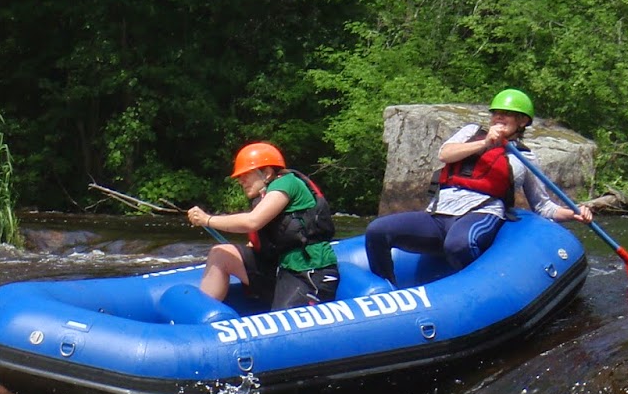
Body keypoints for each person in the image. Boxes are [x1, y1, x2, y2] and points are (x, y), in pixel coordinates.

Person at [363, 88, 593, 285]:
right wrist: (485, 143)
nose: (499, 118)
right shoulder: (471, 133)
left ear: (522, 122)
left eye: (507, 115)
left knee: (458, 245)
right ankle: (387, 288)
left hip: (481, 213)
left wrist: (574, 213)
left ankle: (479, 294)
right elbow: (445, 154)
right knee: (378, 230)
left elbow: (543, 207)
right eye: (496, 114)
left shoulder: (525, 157)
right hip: (439, 214)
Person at [186, 143, 339, 311]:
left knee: (283, 319)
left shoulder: (287, 183)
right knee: (220, 254)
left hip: (310, 269)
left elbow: (252, 222)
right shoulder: (263, 196)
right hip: (281, 268)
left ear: (266, 173)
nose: (240, 180)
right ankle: (202, 319)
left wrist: (207, 219)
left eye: (246, 175)